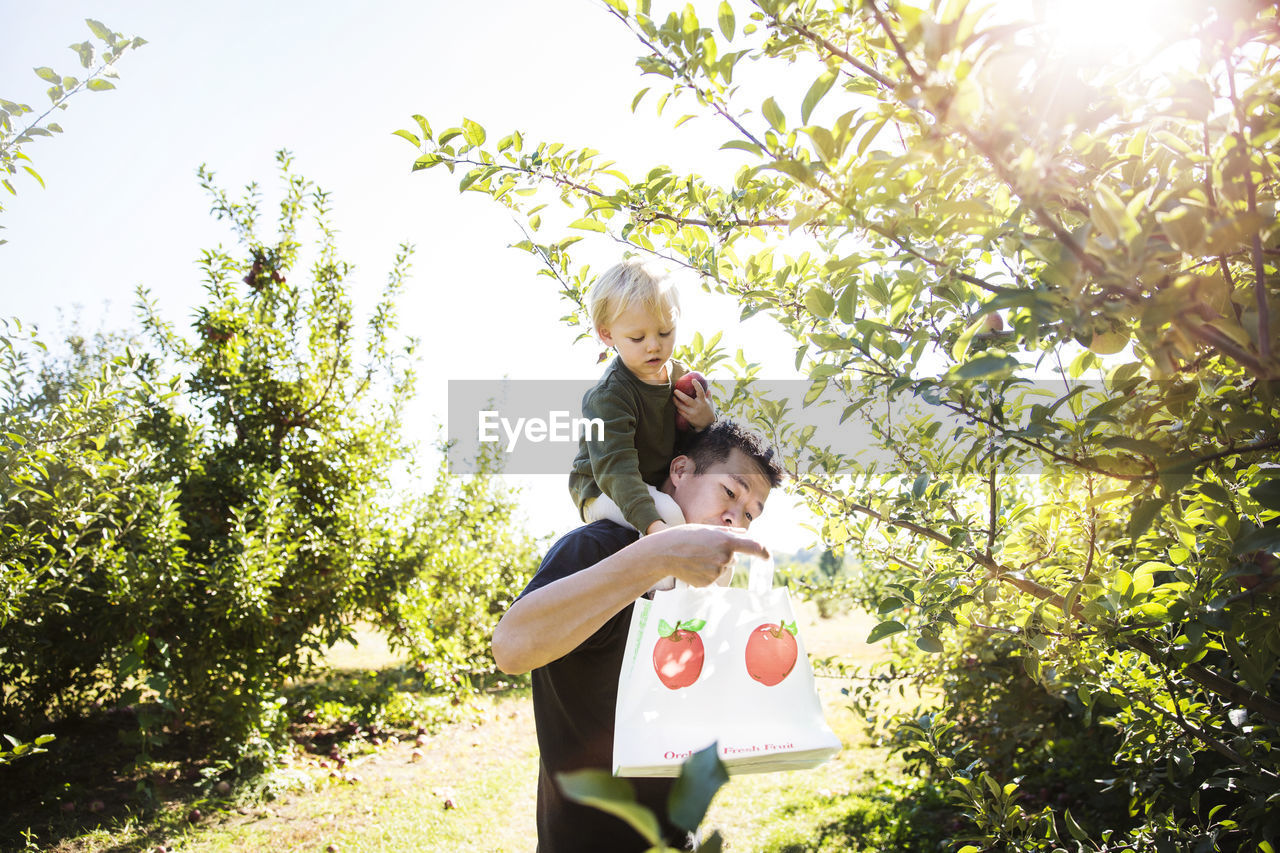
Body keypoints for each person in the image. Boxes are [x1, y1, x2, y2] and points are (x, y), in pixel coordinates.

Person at [494, 421, 785, 853]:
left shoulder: (701, 589)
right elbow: (511, 648)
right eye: (729, 492)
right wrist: (658, 554)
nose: (735, 518)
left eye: (749, 514)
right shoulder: (598, 546)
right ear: (681, 470)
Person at [568, 259, 717, 542]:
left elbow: (703, 452)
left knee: (704, 518)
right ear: (607, 334)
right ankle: (662, 586)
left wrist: (706, 423)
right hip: (603, 488)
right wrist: (652, 525)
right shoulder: (609, 397)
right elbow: (616, 470)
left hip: (654, 486)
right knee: (671, 516)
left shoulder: (682, 380)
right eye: (637, 338)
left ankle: (712, 584)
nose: (654, 345)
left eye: (665, 332)